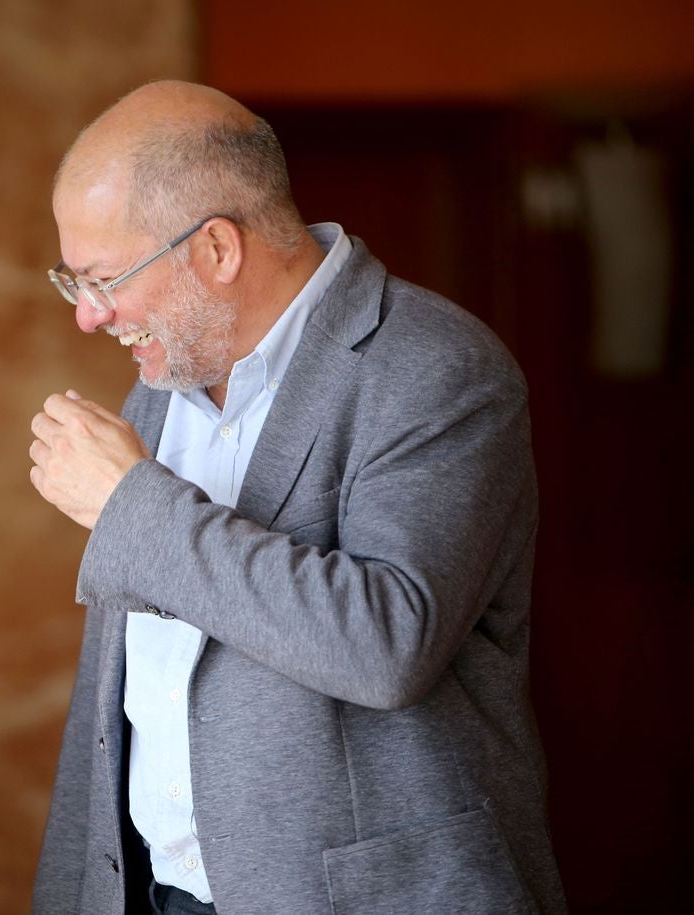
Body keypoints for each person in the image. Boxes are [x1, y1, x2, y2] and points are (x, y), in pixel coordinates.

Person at [28, 81, 566, 914]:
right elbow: (125, 697)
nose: (89, 319)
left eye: (103, 279)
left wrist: (134, 507)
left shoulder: (438, 369)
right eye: (75, 282)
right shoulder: (160, 390)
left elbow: (388, 643)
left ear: (215, 249)